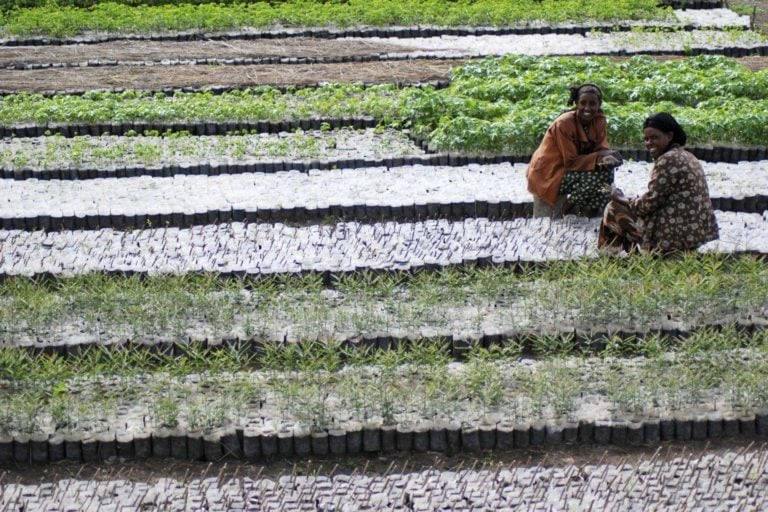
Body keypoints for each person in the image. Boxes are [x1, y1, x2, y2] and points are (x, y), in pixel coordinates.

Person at [598, 112, 719, 254]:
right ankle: (630, 256)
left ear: (669, 136)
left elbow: (647, 205)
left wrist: (620, 198)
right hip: (694, 233)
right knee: (624, 207)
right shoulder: (686, 155)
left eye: (654, 137)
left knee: (613, 208)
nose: (649, 143)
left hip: (673, 236)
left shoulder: (667, 160)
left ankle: (610, 257)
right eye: (646, 139)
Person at [526, 83, 622, 218]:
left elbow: (601, 147)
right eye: (583, 103)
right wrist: (599, 156)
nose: (587, 108)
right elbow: (570, 162)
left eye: (592, 104)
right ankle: (568, 207)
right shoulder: (564, 124)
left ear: (599, 105)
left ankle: (593, 212)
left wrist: (606, 157)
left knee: (606, 174)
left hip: (572, 167)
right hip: (550, 171)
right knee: (597, 179)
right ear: (576, 103)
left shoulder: (598, 120)